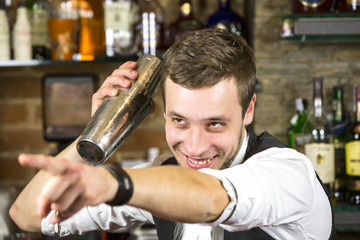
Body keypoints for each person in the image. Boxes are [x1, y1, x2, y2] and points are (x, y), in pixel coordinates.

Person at [10, 28, 337, 240]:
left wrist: (115, 183)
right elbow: (27, 216)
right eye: (179, 121)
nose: (194, 147)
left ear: (249, 109)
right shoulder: (161, 182)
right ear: (164, 113)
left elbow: (210, 198)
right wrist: (94, 135)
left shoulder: (288, 174)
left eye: (214, 124)